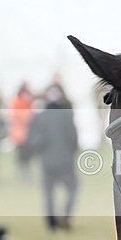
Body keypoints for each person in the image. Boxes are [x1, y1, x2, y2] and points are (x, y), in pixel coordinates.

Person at [22, 85, 79, 231]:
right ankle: (65, 216)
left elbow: (31, 140)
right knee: (72, 188)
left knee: (48, 193)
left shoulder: (39, 117)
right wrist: (70, 152)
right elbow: (73, 138)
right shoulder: (66, 115)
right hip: (65, 160)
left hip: (47, 162)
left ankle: (51, 223)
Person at [8, 82, 35, 180]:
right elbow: (16, 118)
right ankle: (21, 175)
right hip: (19, 136)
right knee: (21, 157)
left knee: (28, 156)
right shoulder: (16, 103)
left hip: (28, 135)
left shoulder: (29, 103)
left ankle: (26, 175)